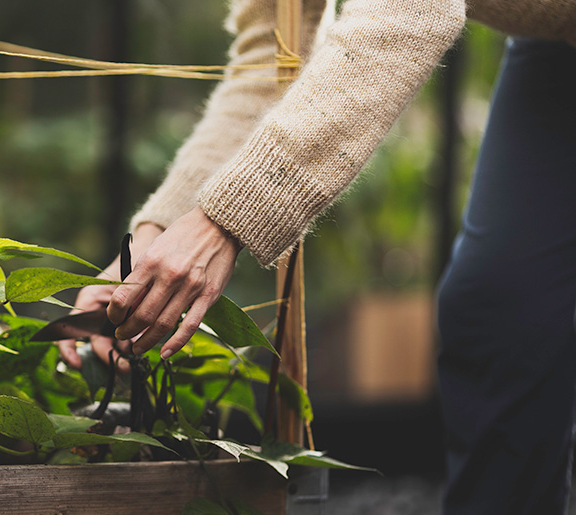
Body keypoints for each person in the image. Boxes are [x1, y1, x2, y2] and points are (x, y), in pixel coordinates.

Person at [60, 0, 576, 512]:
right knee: (502, 314)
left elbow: (411, 10)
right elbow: (273, 58)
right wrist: (154, 236)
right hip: (556, 46)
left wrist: (228, 218)